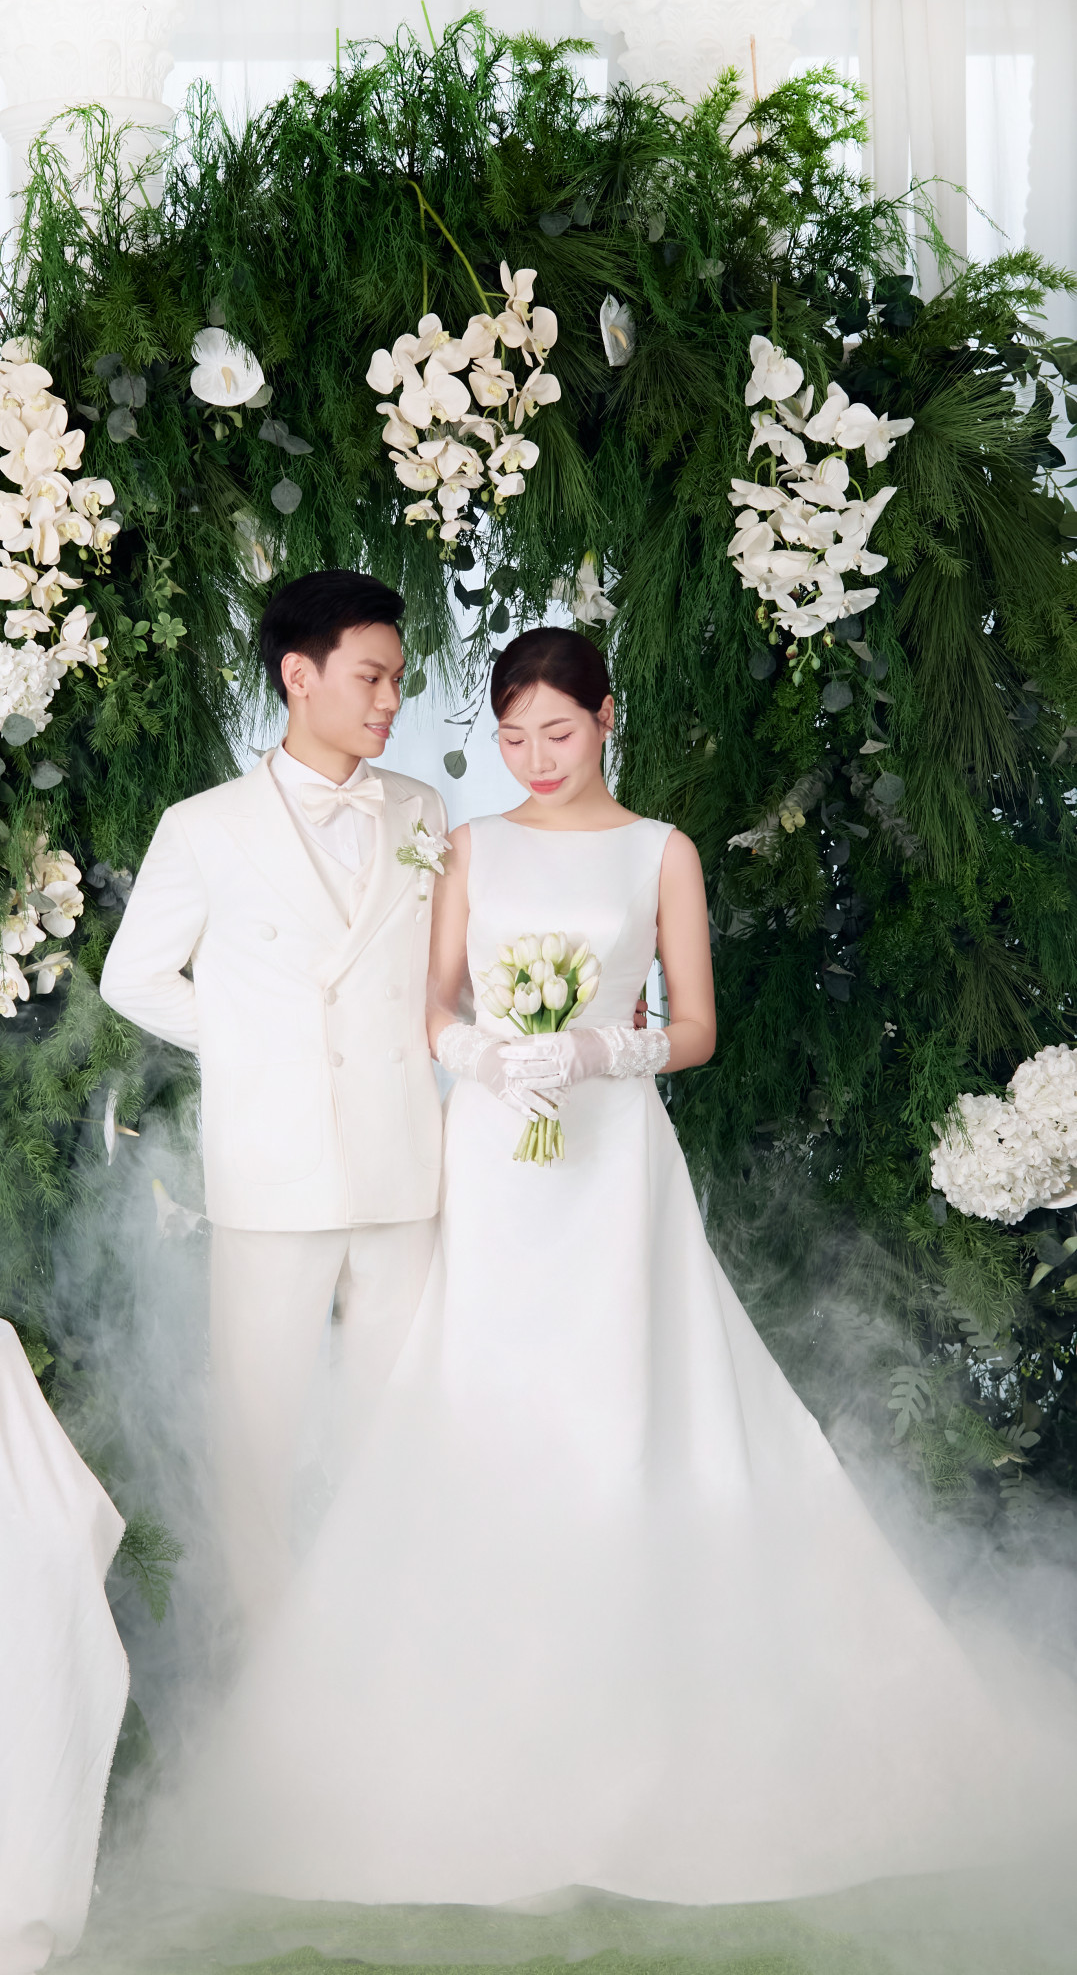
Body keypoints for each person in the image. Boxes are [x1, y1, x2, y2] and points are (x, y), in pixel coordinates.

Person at [177, 627, 1015, 1907]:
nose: (533, 757)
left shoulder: (659, 850)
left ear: (607, 717)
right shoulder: (469, 844)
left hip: (613, 1155)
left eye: (557, 732)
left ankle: (662, 1717)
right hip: (493, 1158)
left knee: (627, 1394)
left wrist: (596, 1054)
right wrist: (483, 1054)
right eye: (511, 736)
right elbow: (432, 1003)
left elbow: (696, 1026)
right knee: (479, 1394)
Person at [99, 570, 448, 1629]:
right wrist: (265, 1047)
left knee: (399, 1419)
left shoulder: (421, 808)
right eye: (371, 677)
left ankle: (390, 1635)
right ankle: (267, 1655)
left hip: (404, 1162)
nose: (390, 700)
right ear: (299, 675)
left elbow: (440, 973)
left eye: (397, 678)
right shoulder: (204, 825)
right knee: (257, 1433)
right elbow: (132, 978)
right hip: (271, 1165)